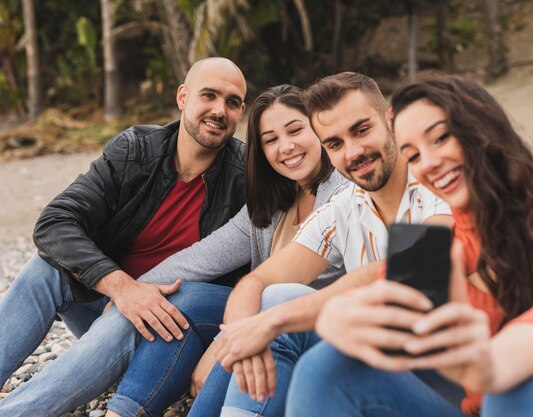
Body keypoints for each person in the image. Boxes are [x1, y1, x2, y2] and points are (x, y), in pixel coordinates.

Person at [286, 72, 533, 417]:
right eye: (413, 155)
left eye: (441, 138)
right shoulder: (438, 249)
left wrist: (488, 367)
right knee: (328, 366)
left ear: (483, 128)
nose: (429, 163)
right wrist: (334, 321)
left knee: (519, 389)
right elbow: (375, 307)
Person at [0, 57, 249, 417]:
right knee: (45, 270)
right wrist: (123, 289)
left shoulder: (246, 178)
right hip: (107, 307)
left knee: (141, 311)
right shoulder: (135, 150)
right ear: (183, 97)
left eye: (232, 102)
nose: (218, 110)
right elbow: (55, 222)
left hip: (169, 331)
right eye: (208, 95)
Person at [203, 72, 453, 417]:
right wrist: (243, 337)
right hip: (379, 360)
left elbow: (412, 270)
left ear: (391, 119)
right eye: (334, 144)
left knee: (314, 356)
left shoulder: (436, 182)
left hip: (444, 384)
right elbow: (257, 282)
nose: (353, 152)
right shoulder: (345, 207)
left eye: (362, 130)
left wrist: (272, 323)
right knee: (272, 301)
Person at [102, 84, 349, 417]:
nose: (286, 147)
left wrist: (220, 348)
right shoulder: (271, 205)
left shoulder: (345, 196)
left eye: (295, 130)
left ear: (318, 131)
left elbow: (283, 298)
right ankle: (123, 412)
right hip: (263, 319)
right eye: (271, 140)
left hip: (316, 331)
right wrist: (127, 291)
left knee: (259, 324)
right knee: (183, 298)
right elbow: (200, 258)